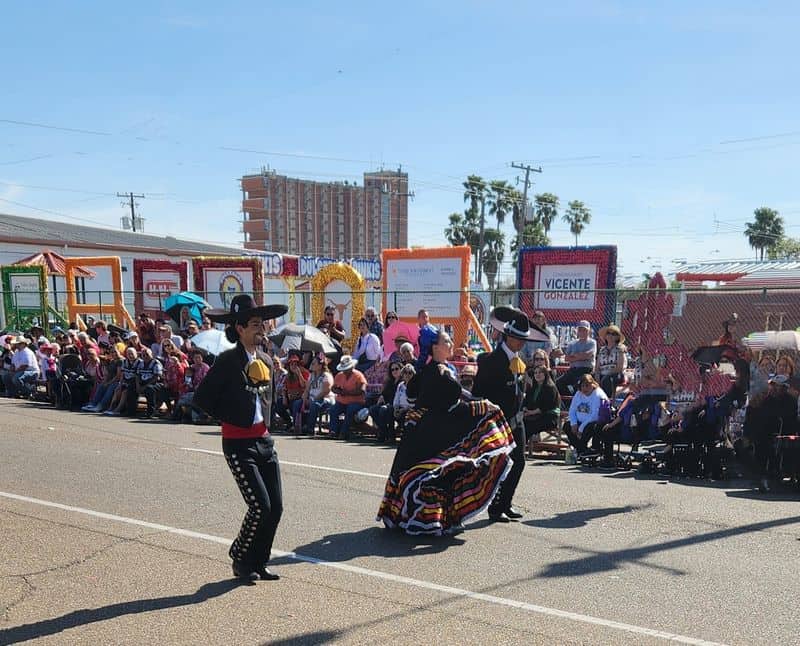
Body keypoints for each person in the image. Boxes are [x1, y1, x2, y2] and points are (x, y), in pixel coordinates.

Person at [377, 329, 515, 535]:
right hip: (432, 430)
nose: (451, 343)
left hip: (426, 429)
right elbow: (452, 402)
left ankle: (428, 517)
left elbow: (427, 394)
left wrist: (478, 403)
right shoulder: (438, 372)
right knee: (437, 472)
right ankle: (431, 519)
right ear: (435, 347)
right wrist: (482, 407)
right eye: (447, 341)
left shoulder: (433, 369)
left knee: (437, 473)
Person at [193, 294, 287, 583]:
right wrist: (233, 412)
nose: (262, 329)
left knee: (276, 507)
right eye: (255, 324)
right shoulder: (227, 361)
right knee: (260, 505)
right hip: (237, 443)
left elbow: (267, 402)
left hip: (263, 441)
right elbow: (203, 400)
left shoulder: (268, 361)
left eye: (263, 323)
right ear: (240, 328)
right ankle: (240, 557)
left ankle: (259, 561)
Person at [471, 311, 531, 522]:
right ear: (509, 337)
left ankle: (505, 503)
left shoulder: (517, 359)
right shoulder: (491, 361)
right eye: (520, 339)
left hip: (516, 420)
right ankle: (495, 507)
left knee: (519, 462)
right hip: (497, 423)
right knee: (498, 464)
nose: (523, 343)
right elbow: (478, 393)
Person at [563, 374, 610, 455]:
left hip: (592, 422)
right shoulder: (578, 393)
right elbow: (572, 410)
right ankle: (581, 450)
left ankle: (581, 450)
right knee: (567, 426)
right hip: (579, 421)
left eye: (587, 385)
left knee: (588, 428)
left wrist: (581, 428)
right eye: (582, 386)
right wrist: (573, 423)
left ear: (593, 384)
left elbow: (595, 415)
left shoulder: (598, 394)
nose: (584, 388)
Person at [329, 355, 367, 440]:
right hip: (341, 402)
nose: (344, 371)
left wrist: (347, 393)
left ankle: (344, 432)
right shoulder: (339, 375)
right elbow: (333, 388)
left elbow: (362, 390)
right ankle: (333, 431)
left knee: (350, 409)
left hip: (356, 402)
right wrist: (338, 391)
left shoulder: (359, 376)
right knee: (333, 410)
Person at [557, 320, 597, 396]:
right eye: (580, 330)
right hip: (573, 370)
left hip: (586, 370)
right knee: (558, 383)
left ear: (588, 331)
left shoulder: (592, 342)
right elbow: (566, 358)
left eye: (584, 330)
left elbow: (588, 355)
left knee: (578, 385)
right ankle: (569, 404)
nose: (582, 332)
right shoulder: (572, 343)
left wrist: (574, 356)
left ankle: (575, 400)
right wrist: (581, 356)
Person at [522, 364, 561, 442]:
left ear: (545, 374)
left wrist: (531, 412)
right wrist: (525, 409)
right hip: (535, 415)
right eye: (535, 373)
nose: (537, 374)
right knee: (520, 424)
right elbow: (526, 401)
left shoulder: (550, 388)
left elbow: (547, 406)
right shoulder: (533, 388)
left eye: (540, 372)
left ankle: (521, 448)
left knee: (528, 427)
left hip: (549, 416)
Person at [298, 354, 335, 435]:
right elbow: (307, 389)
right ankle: (298, 426)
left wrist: (313, 399)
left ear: (320, 366)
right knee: (297, 403)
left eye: (314, 363)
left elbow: (326, 391)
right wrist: (304, 398)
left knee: (314, 404)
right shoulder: (312, 375)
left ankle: (310, 428)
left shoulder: (326, 376)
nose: (311, 365)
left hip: (325, 399)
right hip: (312, 398)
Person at [369, 360, 403, 442]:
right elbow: (384, 393)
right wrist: (381, 396)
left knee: (384, 409)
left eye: (396, 369)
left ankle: (388, 434)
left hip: (398, 405)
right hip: (388, 404)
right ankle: (384, 431)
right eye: (392, 370)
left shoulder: (403, 382)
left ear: (401, 369)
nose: (394, 371)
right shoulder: (390, 382)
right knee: (372, 409)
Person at [595, 324, 627, 398]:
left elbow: (620, 367)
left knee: (607, 380)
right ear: (605, 336)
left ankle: (607, 402)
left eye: (614, 334)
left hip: (616, 375)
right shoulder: (602, 350)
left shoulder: (620, 349)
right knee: (588, 379)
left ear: (617, 337)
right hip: (602, 375)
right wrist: (597, 378)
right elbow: (597, 368)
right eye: (608, 333)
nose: (610, 335)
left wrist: (606, 374)